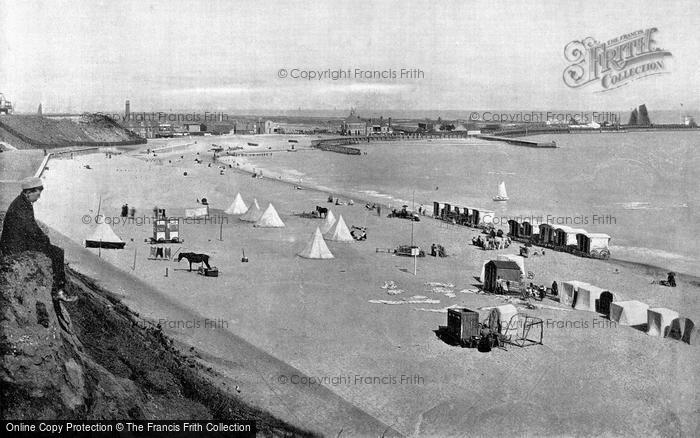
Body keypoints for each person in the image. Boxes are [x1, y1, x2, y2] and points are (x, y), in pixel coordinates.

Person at [0, 177, 77, 302]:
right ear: (28, 192)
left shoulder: (21, 202)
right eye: (38, 194)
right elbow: (32, 229)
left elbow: (30, 227)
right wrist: (45, 239)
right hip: (15, 246)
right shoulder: (22, 206)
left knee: (52, 249)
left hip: (14, 242)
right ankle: (59, 291)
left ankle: (59, 290)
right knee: (57, 252)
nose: (39, 197)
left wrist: (42, 239)